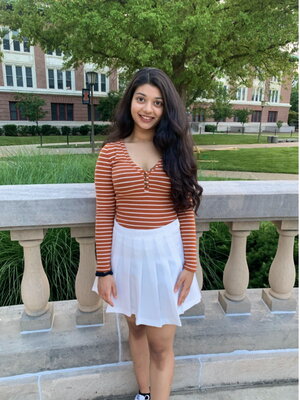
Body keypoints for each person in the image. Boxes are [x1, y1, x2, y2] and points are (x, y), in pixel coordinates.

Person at [92, 67, 203, 400]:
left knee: (160, 344)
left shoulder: (176, 151)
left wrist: (190, 265)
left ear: (165, 109)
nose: (147, 109)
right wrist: (103, 271)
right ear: (130, 101)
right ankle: (143, 392)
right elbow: (104, 214)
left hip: (166, 254)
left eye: (157, 103)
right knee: (136, 329)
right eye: (141, 99)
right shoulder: (110, 153)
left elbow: (185, 212)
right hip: (124, 253)